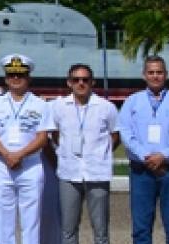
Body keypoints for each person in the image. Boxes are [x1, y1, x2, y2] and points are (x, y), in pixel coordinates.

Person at [0, 54, 53, 244]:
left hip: (30, 165)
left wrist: (19, 155)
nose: (15, 79)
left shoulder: (41, 105)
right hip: (1, 166)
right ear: (6, 78)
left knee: (31, 219)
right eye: (11, 75)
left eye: (20, 75)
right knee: (3, 217)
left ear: (28, 77)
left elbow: (43, 137)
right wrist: (7, 155)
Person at [121, 55, 169, 244]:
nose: (155, 76)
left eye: (159, 72)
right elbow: (126, 134)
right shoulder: (132, 102)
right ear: (144, 75)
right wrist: (147, 157)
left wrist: (163, 156)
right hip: (141, 171)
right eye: (151, 72)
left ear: (166, 75)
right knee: (141, 230)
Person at [51, 64, 117, 244]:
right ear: (69, 82)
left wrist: (99, 154)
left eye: (85, 80)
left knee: (101, 229)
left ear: (92, 82)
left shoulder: (106, 107)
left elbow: (115, 135)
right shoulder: (58, 107)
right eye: (76, 80)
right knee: (68, 229)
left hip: (97, 173)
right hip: (69, 173)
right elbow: (54, 134)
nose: (81, 83)